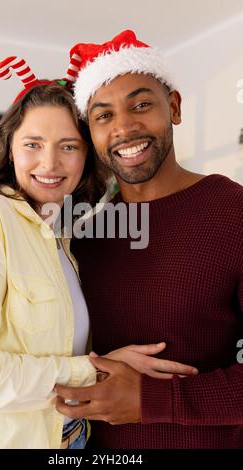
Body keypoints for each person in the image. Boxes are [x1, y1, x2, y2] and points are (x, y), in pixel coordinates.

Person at [0, 56, 196, 449]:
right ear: (10, 150)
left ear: (87, 157)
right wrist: (93, 371)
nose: (50, 163)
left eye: (68, 146)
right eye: (32, 144)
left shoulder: (65, 238)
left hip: (74, 439)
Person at [55, 30, 243, 449]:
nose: (124, 127)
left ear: (173, 107)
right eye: (103, 116)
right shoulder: (82, 233)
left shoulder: (234, 212)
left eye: (141, 104)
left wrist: (151, 400)